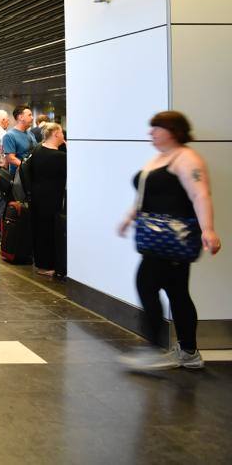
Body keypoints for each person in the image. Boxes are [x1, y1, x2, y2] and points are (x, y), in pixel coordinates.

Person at [115, 111, 221, 371]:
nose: (151, 133)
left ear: (172, 130)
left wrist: (208, 229)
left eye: (156, 128)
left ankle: (154, 349)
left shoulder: (187, 158)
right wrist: (129, 217)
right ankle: (188, 352)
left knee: (147, 284)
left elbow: (200, 195)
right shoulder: (162, 158)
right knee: (177, 293)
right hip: (158, 238)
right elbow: (145, 196)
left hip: (174, 238)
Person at [23, 123, 67, 277]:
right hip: (52, 198)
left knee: (39, 230)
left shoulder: (37, 150)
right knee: (49, 231)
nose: (63, 135)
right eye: (61, 132)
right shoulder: (60, 157)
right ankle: (48, 265)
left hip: (36, 196)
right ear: (55, 134)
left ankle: (41, 263)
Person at [3, 105, 37, 177]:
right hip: (20, 176)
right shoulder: (10, 135)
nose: (32, 118)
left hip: (32, 173)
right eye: (29, 115)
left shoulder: (30, 134)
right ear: (21, 117)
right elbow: (10, 158)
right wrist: (26, 167)